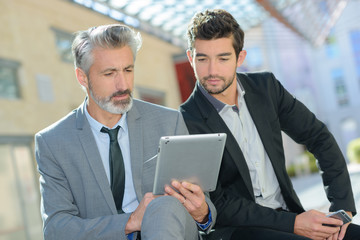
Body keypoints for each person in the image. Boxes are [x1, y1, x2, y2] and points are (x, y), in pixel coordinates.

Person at [180, 9, 360, 240]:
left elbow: (319, 137)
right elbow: (218, 201)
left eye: (223, 58)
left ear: (240, 57)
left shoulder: (266, 88)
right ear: (190, 58)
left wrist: (341, 209)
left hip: (289, 215)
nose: (212, 70)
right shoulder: (186, 119)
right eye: (202, 58)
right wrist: (293, 223)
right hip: (240, 231)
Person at [35, 24, 216, 240]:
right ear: (82, 78)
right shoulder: (53, 142)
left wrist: (202, 212)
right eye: (110, 73)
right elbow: (56, 229)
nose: (123, 84)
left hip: (170, 230)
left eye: (128, 70)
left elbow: (206, 209)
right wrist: (130, 222)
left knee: (163, 205)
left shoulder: (169, 122)